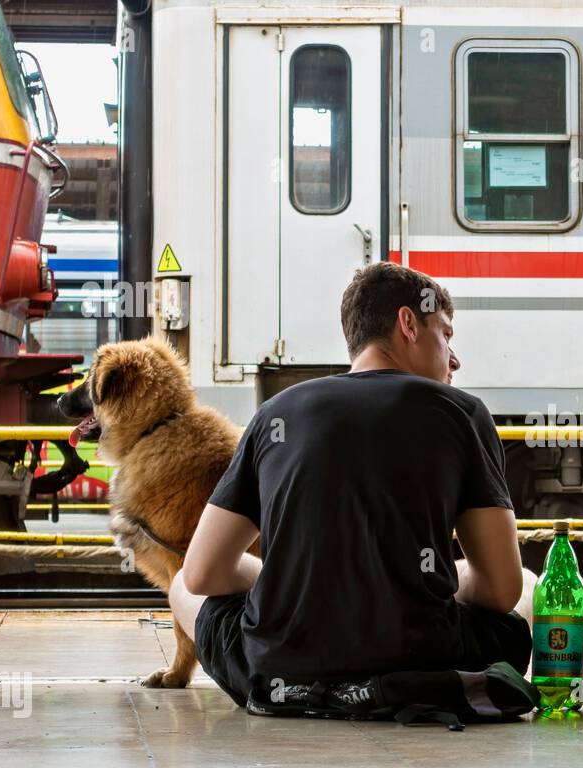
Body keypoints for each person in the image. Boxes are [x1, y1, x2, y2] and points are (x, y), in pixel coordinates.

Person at [168, 262, 531, 708]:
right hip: (423, 659)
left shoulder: (277, 412)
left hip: (275, 669)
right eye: (446, 334)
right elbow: (501, 589)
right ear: (408, 324)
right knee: (525, 591)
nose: (454, 358)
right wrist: (433, 581)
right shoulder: (463, 413)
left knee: (181, 585)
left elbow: (202, 572)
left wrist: (279, 580)